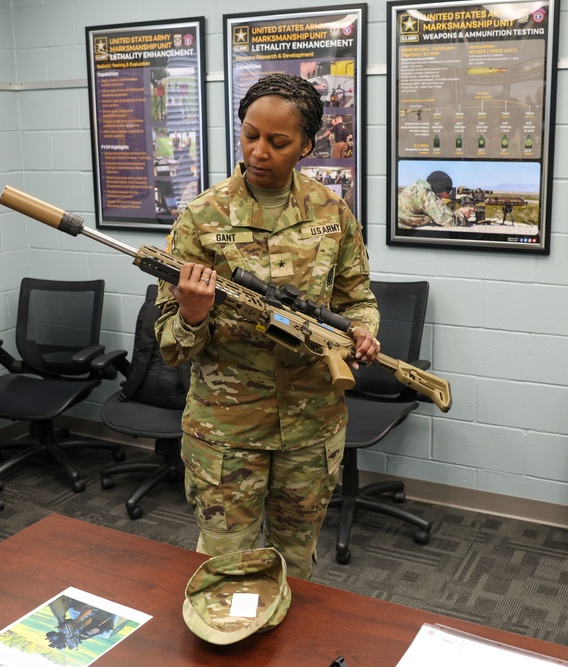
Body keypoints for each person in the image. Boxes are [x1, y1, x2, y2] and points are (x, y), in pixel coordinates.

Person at [155, 73, 380, 580]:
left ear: (307, 144)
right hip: (227, 432)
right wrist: (192, 315)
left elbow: (357, 298)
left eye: (278, 142)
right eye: (250, 135)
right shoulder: (201, 218)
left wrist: (363, 330)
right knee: (225, 566)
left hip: (312, 426)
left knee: (295, 564)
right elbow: (169, 345)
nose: (260, 151)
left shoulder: (331, 210)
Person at [396, 170, 473, 228]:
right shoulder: (426, 194)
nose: (448, 195)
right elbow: (450, 222)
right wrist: (461, 213)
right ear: (440, 188)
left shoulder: (419, 186)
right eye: (448, 190)